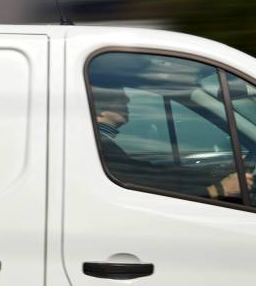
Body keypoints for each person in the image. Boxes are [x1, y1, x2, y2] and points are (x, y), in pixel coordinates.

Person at [92, 83, 245, 202]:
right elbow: (143, 185)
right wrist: (218, 190)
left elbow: (149, 172)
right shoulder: (101, 146)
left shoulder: (101, 142)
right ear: (98, 109)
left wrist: (214, 173)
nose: (127, 100)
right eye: (118, 97)